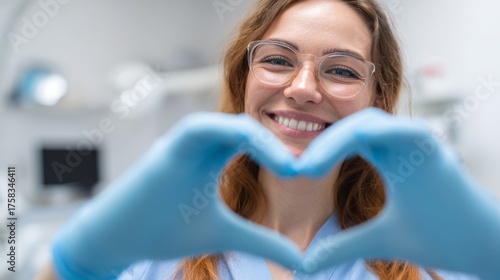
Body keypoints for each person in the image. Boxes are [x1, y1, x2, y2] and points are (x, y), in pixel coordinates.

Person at [37, 0, 500, 279]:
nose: (302, 88)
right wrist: (71, 269)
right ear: (244, 80)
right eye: (278, 60)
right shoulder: (159, 250)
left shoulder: (432, 258)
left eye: (341, 70)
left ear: (378, 101)